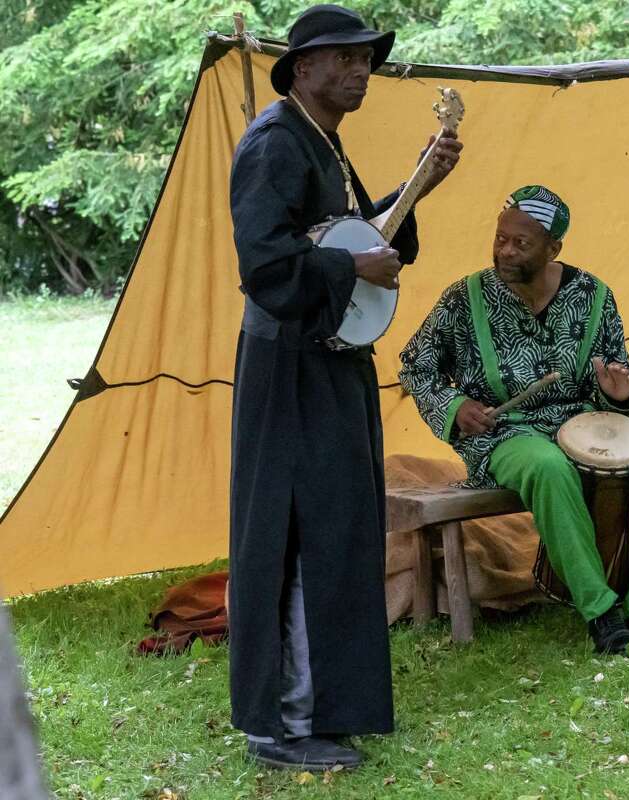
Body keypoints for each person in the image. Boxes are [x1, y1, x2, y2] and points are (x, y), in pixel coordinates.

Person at [227, 4, 462, 771]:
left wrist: (419, 187)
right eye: (346, 58)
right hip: (288, 363)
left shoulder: (322, 140)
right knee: (297, 534)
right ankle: (282, 726)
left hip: (328, 361)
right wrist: (348, 269)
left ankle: (324, 708)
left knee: (338, 529)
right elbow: (264, 267)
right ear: (303, 69)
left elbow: (360, 228)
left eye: (367, 59)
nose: (362, 70)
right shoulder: (274, 143)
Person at [399, 185, 629, 654]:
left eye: (521, 243)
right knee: (547, 465)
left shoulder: (592, 296)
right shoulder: (465, 299)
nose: (505, 249)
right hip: (507, 434)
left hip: (585, 422)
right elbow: (415, 365)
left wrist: (619, 392)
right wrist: (455, 407)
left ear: (553, 248)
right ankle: (601, 613)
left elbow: (622, 378)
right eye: (501, 238)